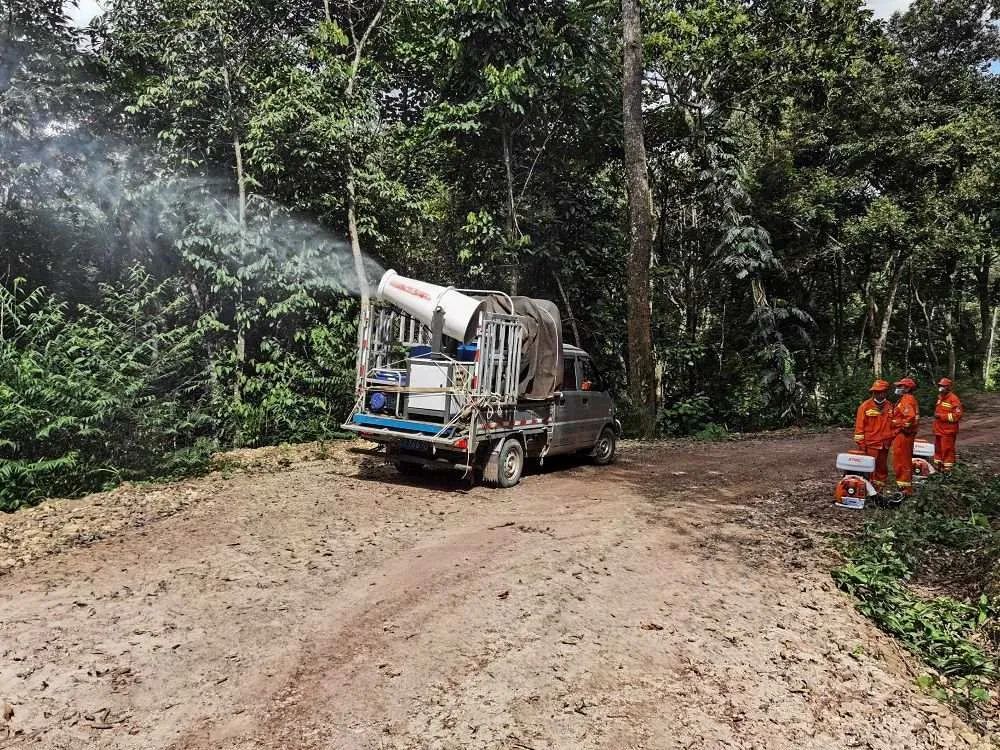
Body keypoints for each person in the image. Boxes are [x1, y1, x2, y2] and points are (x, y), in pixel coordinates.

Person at [853, 379, 895, 498]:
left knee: (882, 469)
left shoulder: (891, 407)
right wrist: (861, 444)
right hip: (870, 444)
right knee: (868, 469)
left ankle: (879, 492)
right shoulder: (865, 407)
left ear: (885, 392)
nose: (878, 394)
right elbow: (859, 427)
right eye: (875, 392)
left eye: (881, 392)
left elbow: (894, 425)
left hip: (885, 444)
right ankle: (868, 492)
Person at [890, 377, 919, 499]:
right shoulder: (906, 399)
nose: (898, 388)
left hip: (903, 435)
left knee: (901, 461)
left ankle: (905, 489)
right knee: (902, 460)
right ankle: (904, 487)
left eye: (900, 386)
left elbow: (910, 418)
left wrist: (897, 424)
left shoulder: (907, 399)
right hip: (904, 434)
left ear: (907, 388)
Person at [933, 377, 963, 473]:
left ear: (948, 387)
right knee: (938, 449)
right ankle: (938, 466)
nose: (941, 388)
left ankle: (947, 470)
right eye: (940, 386)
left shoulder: (954, 399)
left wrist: (942, 416)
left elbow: (957, 415)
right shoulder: (940, 398)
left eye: (943, 386)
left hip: (948, 431)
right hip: (939, 430)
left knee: (947, 450)